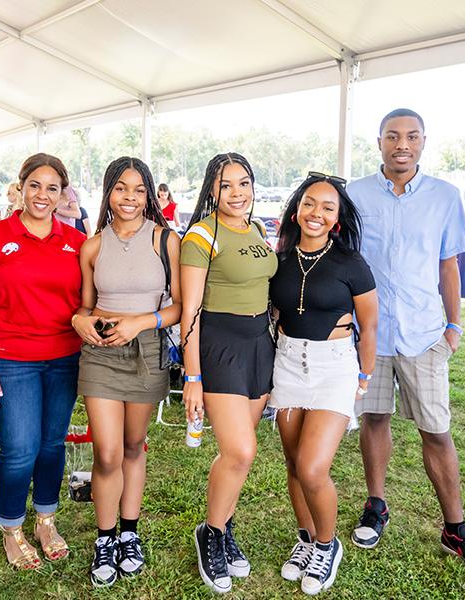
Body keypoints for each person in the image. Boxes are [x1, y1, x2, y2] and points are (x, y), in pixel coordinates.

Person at [347, 108, 465, 583]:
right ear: (379, 142)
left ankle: (456, 528)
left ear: (423, 142)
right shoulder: (354, 195)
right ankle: (376, 504)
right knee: (375, 418)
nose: (402, 144)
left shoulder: (445, 196)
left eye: (412, 136)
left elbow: (448, 266)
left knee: (436, 431)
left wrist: (453, 326)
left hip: (422, 334)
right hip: (370, 336)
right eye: (393, 136)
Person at [0, 153, 87, 571]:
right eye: (34, 185)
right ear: (20, 188)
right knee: (20, 449)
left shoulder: (75, 242)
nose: (42, 195)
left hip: (64, 359)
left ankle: (45, 520)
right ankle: (12, 529)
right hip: (10, 359)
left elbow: (86, 302)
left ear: (62, 194)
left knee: (52, 445)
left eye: (52, 188)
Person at [71, 156, 181, 587]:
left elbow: (180, 308)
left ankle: (129, 533)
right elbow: (84, 303)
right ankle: (105, 537)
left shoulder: (165, 240)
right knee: (108, 452)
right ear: (108, 193)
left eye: (138, 190)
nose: (129, 198)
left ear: (149, 195)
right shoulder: (93, 245)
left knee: (134, 447)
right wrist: (80, 320)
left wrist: (142, 321)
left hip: (147, 351)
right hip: (99, 351)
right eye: (121, 189)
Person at [269, 173, 378, 594]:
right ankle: (306, 538)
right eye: (310, 204)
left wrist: (363, 379)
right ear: (297, 209)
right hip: (288, 363)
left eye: (328, 208)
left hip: (334, 368)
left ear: (336, 218)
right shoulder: (279, 259)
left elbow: (369, 328)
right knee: (294, 465)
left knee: (314, 467)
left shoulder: (351, 263)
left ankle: (327, 545)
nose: (317, 213)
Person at [180, 153, 278, 594]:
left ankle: (223, 524)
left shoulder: (257, 229)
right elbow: (191, 312)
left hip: (261, 345)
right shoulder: (201, 235)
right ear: (211, 190)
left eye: (244, 183)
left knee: (240, 454)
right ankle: (211, 535)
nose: (237, 193)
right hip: (220, 347)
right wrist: (193, 377)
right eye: (226, 186)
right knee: (239, 451)